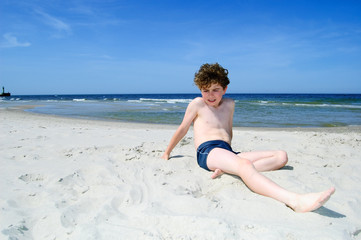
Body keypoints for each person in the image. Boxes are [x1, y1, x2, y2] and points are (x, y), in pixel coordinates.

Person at [161, 63, 335, 213]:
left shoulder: (229, 104)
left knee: (281, 156)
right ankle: (295, 200)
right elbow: (183, 128)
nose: (210, 95)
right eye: (206, 90)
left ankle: (230, 168)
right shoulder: (197, 103)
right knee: (244, 165)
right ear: (200, 90)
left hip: (226, 150)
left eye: (216, 90)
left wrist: (230, 158)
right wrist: (167, 152)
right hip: (207, 151)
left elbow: (228, 132)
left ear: (224, 89)